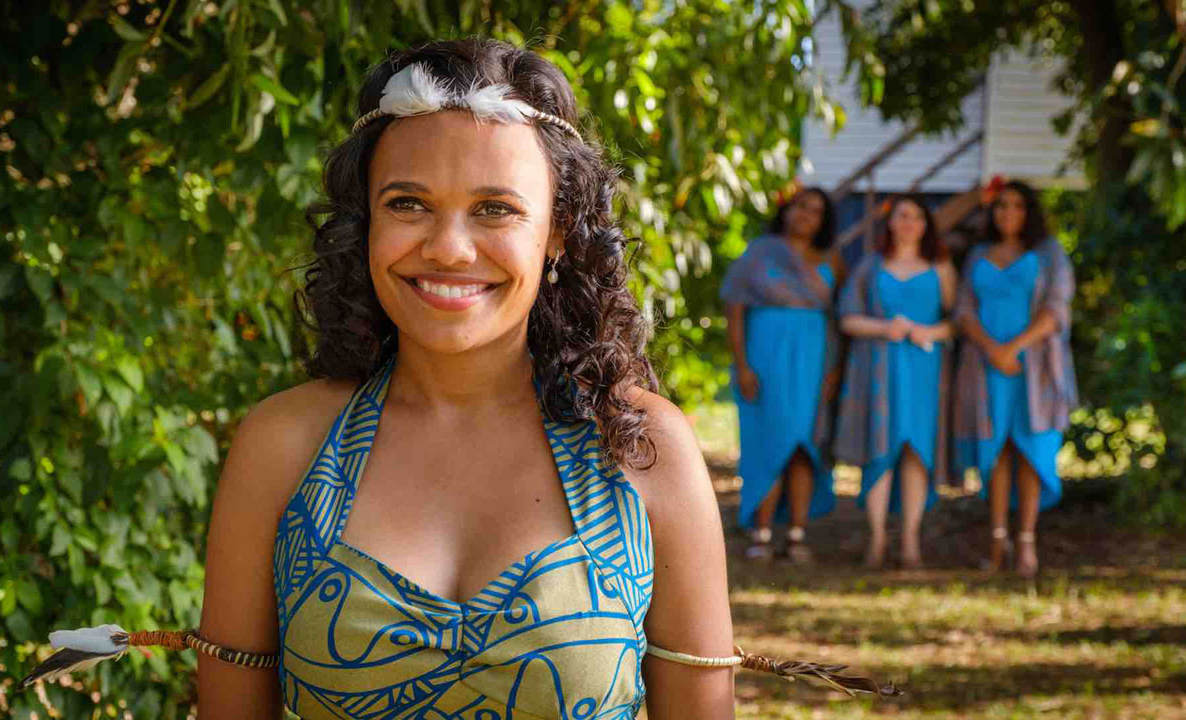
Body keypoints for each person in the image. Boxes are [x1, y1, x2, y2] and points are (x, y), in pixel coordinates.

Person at [197, 39, 736, 718]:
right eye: (407, 204)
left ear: (559, 233)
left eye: (495, 209)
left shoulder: (640, 448)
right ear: (366, 220)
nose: (448, 247)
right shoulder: (286, 448)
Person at [953, 180, 1077, 578]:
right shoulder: (977, 255)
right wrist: (992, 349)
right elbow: (963, 310)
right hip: (987, 364)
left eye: (1017, 206)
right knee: (996, 451)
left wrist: (1014, 348)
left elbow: (1057, 307)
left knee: (1031, 450)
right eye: (1001, 206)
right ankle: (996, 539)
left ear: (1030, 211)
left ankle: (1026, 542)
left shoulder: (1049, 253)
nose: (1008, 213)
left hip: (1034, 366)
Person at [834, 194, 956, 570]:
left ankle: (910, 542)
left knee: (916, 452)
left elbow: (956, 323)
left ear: (926, 224)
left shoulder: (941, 268)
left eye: (917, 216)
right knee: (880, 449)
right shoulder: (871, 267)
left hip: (923, 370)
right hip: (878, 368)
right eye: (902, 215)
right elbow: (847, 319)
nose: (909, 223)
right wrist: (887, 327)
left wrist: (927, 332)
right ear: (890, 221)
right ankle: (875, 539)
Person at [721, 188, 843, 563]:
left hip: (813, 361)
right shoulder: (758, 254)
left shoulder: (832, 260)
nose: (807, 215)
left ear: (824, 221)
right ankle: (761, 530)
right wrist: (742, 365)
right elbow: (735, 310)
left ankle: (796, 534)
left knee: (804, 445)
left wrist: (834, 370)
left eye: (817, 211)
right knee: (767, 440)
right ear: (786, 210)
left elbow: (836, 321)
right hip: (765, 359)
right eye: (801, 206)